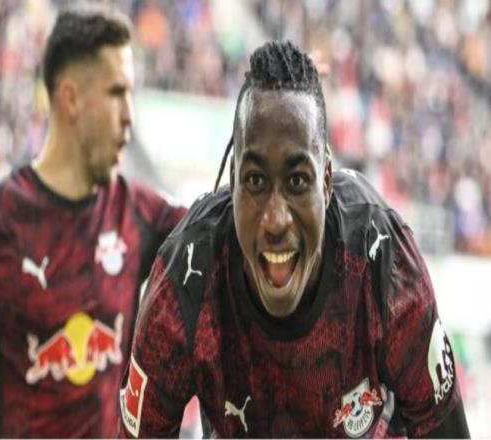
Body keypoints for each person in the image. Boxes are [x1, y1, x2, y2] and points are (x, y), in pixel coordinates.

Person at [118, 41, 470, 438]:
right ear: (232, 183)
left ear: (327, 183)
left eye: (298, 181)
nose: (275, 219)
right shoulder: (186, 280)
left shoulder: (383, 263)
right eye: (255, 180)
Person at [0, 5, 187, 438]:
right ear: (71, 99)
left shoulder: (139, 213)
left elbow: (226, 231)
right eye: (117, 92)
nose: (129, 115)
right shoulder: (1, 220)